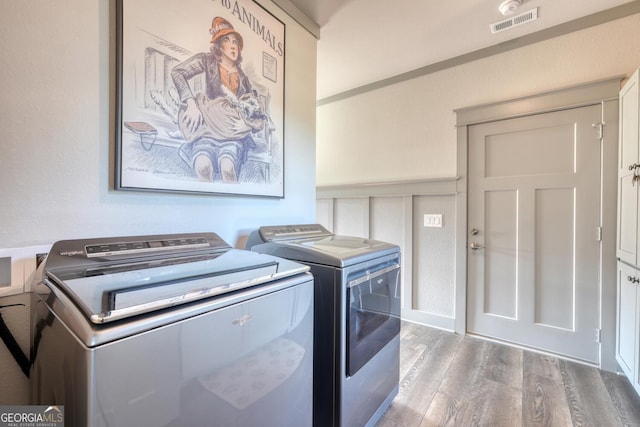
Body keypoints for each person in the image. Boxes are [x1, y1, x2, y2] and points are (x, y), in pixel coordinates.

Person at [171, 17, 265, 183]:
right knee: (202, 166)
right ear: (218, 46)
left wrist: (247, 125)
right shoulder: (207, 61)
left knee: (228, 168)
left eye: (235, 41)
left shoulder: (243, 78)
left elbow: (256, 112)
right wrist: (191, 104)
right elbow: (177, 73)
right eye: (227, 40)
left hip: (232, 135)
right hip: (208, 130)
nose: (233, 45)